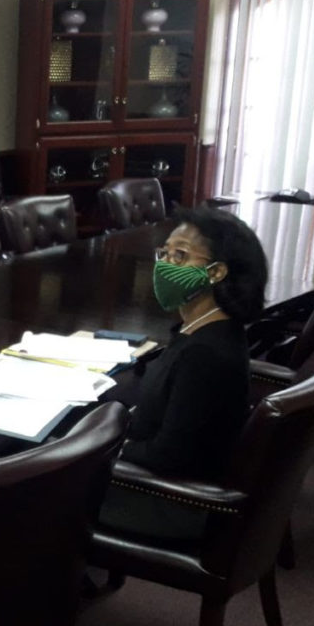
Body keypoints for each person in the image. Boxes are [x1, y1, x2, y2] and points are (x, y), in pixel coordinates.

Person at [97, 204, 269, 540]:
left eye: (181, 255)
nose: (164, 265)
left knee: (37, 483)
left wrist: (104, 446)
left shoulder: (206, 355)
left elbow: (168, 456)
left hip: (169, 501)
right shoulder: (202, 329)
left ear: (216, 272)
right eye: (164, 253)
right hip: (162, 480)